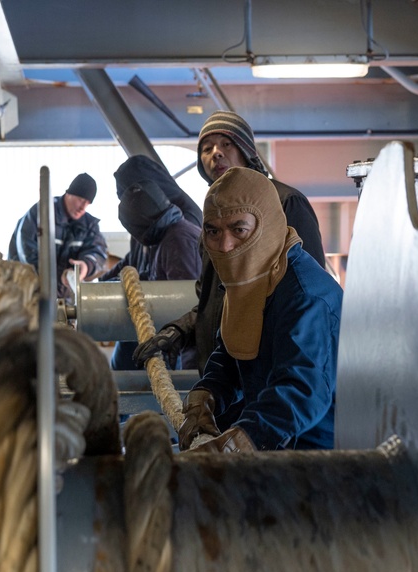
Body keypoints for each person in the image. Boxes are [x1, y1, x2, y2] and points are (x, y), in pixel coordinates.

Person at [133, 110, 326, 374]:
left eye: (227, 143)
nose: (216, 153)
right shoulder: (213, 219)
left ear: (246, 150)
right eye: (207, 148)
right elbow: (215, 298)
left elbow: (309, 294)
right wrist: (180, 330)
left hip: (270, 371)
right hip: (222, 374)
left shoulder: (286, 203)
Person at [177, 167, 342, 452]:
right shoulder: (254, 278)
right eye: (213, 231)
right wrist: (207, 394)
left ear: (266, 225)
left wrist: (239, 442)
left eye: (239, 230)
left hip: (316, 459)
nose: (225, 246)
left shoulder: (306, 296)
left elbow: (302, 390)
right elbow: (235, 348)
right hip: (275, 450)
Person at [102, 155, 203, 370]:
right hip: (149, 314)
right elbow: (136, 263)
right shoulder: (158, 223)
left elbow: (187, 302)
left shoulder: (177, 234)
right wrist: (100, 285)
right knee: (122, 367)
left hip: (170, 330)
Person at [8, 172, 108, 304]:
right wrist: (58, 275)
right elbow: (26, 251)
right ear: (69, 193)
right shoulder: (40, 213)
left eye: (88, 203)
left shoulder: (89, 225)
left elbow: (97, 251)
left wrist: (85, 266)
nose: (83, 207)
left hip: (63, 300)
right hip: (27, 295)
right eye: (80, 199)